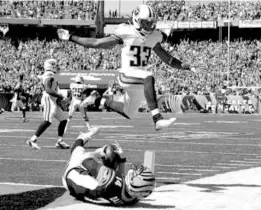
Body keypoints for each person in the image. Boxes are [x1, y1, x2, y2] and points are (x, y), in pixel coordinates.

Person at [57, 4, 203, 131]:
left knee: (129, 113)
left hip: (138, 82)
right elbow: (96, 43)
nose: (149, 26)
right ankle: (157, 119)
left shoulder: (154, 37)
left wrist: (187, 66)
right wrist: (71, 37)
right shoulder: (125, 32)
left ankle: (96, 100)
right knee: (148, 75)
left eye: (151, 23)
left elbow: (168, 59)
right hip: (127, 75)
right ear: (136, 20)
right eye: (146, 23)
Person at [62, 129, 156, 206]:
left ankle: (83, 137)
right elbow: (121, 181)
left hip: (70, 178)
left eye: (136, 174)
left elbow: (85, 160)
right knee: (111, 158)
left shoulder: (109, 181)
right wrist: (121, 160)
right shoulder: (133, 198)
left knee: (79, 153)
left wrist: (100, 152)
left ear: (133, 182)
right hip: (90, 190)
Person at [27, 59, 70, 150]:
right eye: (55, 65)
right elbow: (48, 90)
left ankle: (60, 141)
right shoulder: (49, 74)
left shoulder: (51, 74)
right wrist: (61, 96)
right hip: (48, 99)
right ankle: (32, 139)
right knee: (48, 120)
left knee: (63, 120)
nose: (57, 67)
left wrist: (58, 98)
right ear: (51, 66)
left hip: (53, 99)